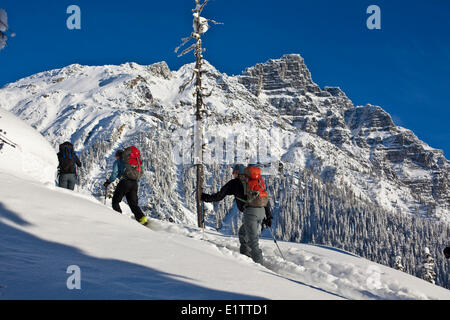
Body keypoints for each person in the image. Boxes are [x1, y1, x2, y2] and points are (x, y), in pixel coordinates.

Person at [201, 164, 273, 265]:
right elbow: (264, 198)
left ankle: (258, 267)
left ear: (238, 173)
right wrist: (268, 216)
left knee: (253, 242)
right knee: (243, 234)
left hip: (251, 214)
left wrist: (206, 197)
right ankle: (246, 259)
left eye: (234, 173)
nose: (233, 175)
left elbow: (219, 196)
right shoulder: (255, 182)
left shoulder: (234, 183)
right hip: (261, 211)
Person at [104, 148, 148, 226]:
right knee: (133, 203)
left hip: (124, 182)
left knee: (115, 201)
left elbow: (114, 174)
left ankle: (119, 220)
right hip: (134, 183)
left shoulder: (118, 161)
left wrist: (108, 182)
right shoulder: (130, 161)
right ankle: (142, 219)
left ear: (118, 156)